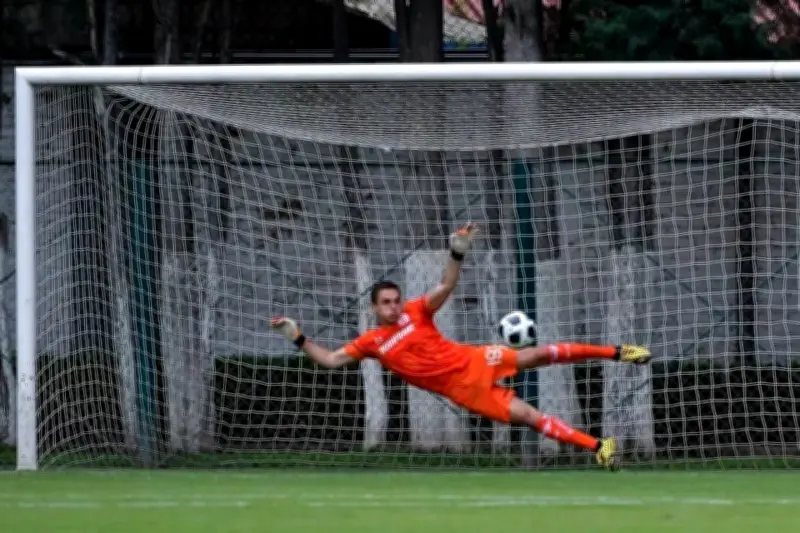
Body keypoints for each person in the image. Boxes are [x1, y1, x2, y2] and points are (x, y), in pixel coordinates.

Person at [271, 222, 651, 470]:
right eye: (385, 302)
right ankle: (600, 447)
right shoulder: (370, 342)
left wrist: (457, 251)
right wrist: (299, 337)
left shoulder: (417, 311)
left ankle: (618, 352)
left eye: (395, 299)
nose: (392, 306)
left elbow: (446, 286)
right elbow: (331, 361)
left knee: (538, 354)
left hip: (474, 360)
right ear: (374, 307)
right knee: (531, 418)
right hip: (464, 391)